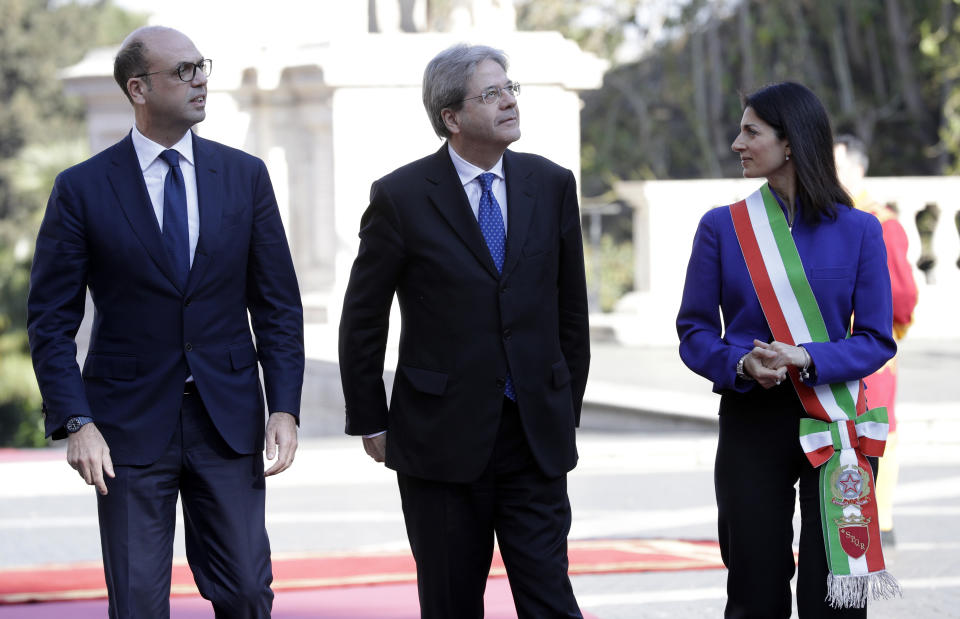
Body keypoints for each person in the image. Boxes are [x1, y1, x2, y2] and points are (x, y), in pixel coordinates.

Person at [27, 26, 304, 618]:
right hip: (124, 427)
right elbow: (50, 321)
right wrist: (76, 421)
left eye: (201, 66)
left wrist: (284, 405)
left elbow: (277, 304)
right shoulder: (81, 188)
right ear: (138, 88)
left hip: (226, 419)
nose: (200, 78)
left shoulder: (245, 176)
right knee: (137, 603)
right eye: (182, 71)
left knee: (249, 594)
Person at [338, 43, 590, 618]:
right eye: (491, 93)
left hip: (534, 438)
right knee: (451, 602)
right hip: (439, 440)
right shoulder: (400, 197)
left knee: (551, 598)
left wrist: (559, 403)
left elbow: (570, 312)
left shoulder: (551, 184)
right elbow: (364, 317)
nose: (509, 101)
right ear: (451, 117)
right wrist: (370, 417)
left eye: (510, 88)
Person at [677, 82, 898, 617]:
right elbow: (694, 331)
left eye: (751, 131)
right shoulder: (721, 228)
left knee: (837, 591)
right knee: (754, 582)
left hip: (836, 420)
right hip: (753, 421)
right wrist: (740, 362)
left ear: (791, 142)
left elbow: (876, 339)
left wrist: (809, 357)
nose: (737, 143)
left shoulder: (862, 231)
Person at [834, 134, 919, 548]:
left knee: (877, 430)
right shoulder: (827, 215)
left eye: (837, 166)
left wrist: (887, 333)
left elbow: (902, 297)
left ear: (858, 169)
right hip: (830, 350)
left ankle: (880, 520)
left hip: (870, 349)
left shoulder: (880, 221)